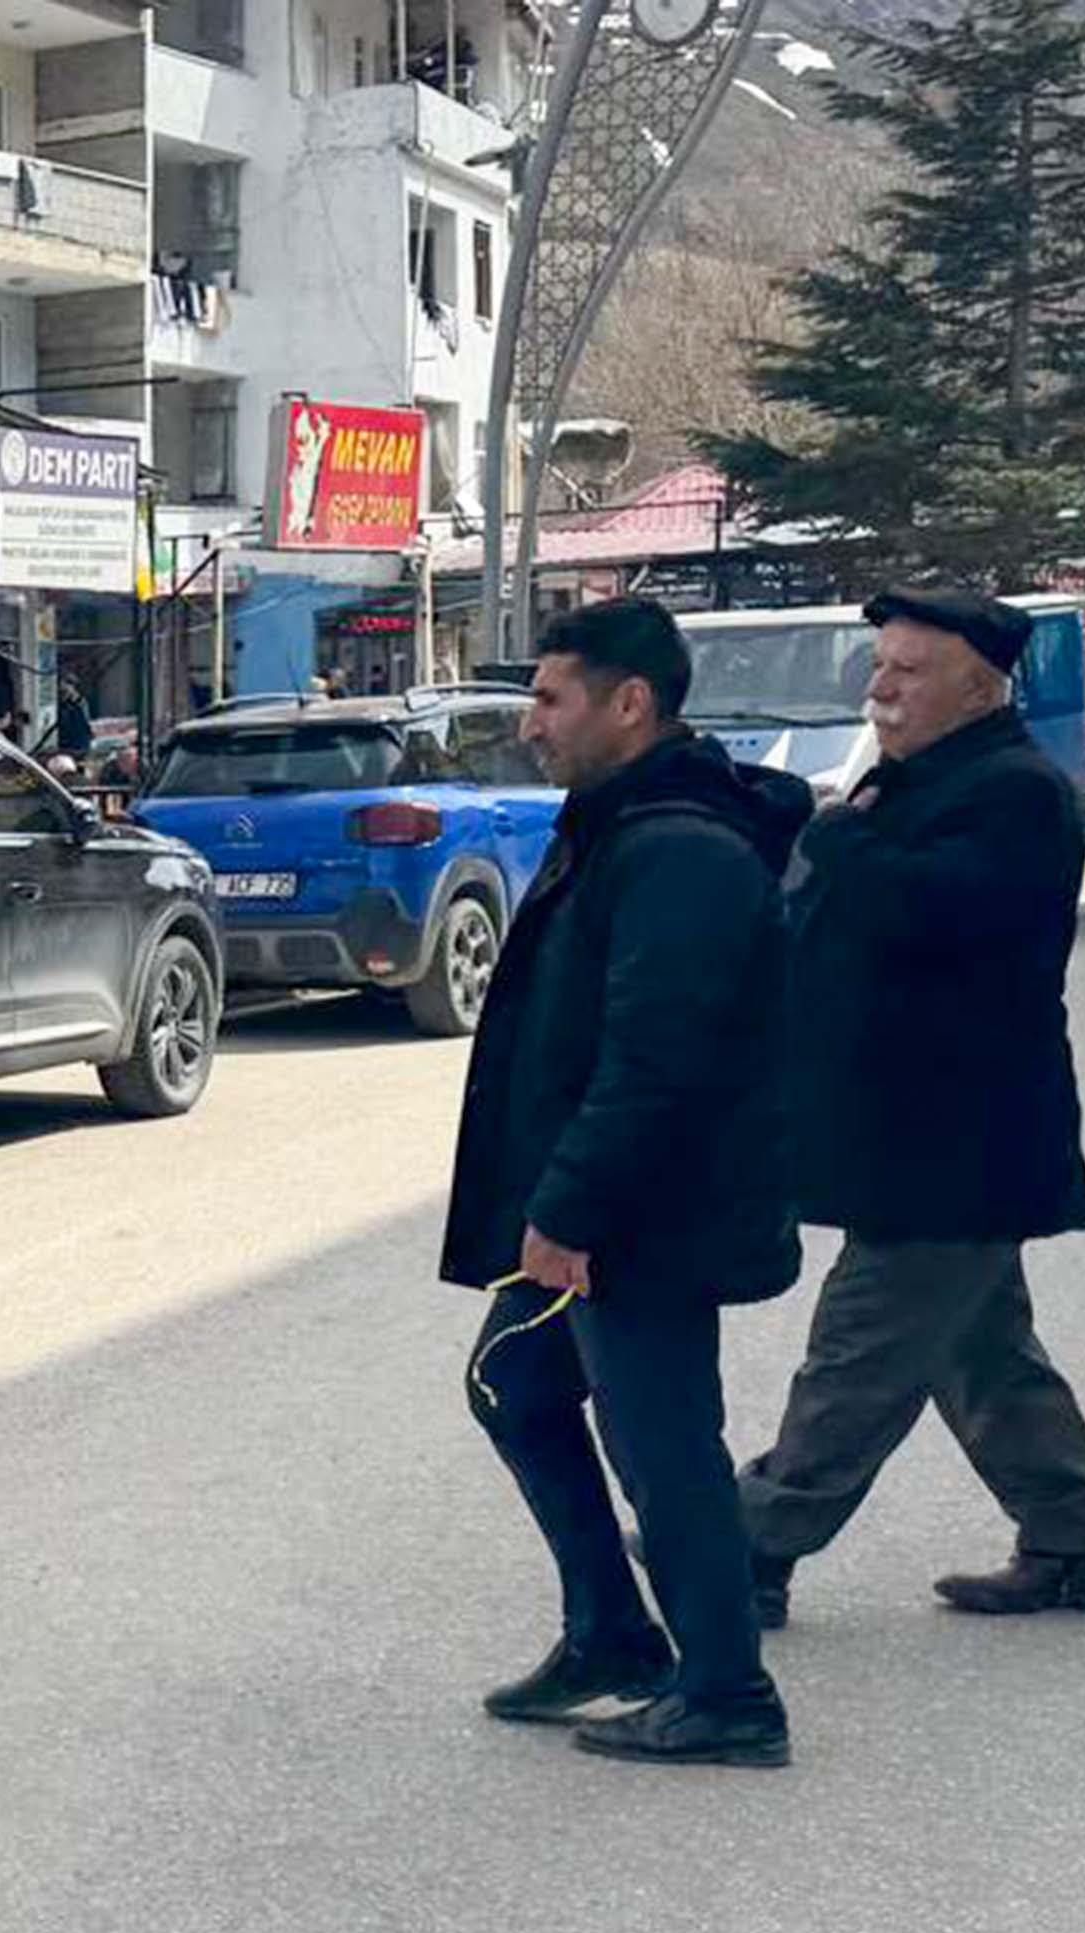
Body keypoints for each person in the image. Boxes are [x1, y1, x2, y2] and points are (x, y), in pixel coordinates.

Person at [439, 598, 813, 1769]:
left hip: (646, 1209)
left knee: (663, 1445)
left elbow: (659, 1057)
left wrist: (570, 1209)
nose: (532, 723)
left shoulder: (679, 848)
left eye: (552, 698)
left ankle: (729, 1692)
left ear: (631, 704)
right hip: (600, 1196)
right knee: (515, 1385)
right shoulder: (620, 821)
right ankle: (610, 1632)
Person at [736, 588, 1085, 1623]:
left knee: (861, 1351)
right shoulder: (913, 779)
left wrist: (837, 840)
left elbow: (937, 915)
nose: (882, 688)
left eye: (909, 671)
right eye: (879, 667)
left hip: (958, 1135)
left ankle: (741, 1547)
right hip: (912, 1128)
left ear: (979, 688)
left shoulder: (1017, 793)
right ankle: (1078, 1545)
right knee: (980, 1349)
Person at [55, 677, 96, 761]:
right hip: (66, 743)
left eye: (65, 690)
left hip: (78, 743)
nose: (62, 693)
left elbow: (85, 721)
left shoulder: (80, 703)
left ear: (73, 687)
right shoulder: (64, 705)